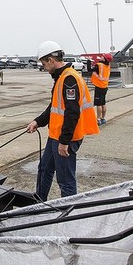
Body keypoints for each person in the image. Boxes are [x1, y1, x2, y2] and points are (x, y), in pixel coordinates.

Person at [25, 40, 99, 200]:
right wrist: (38, 121)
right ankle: (39, 201)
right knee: (44, 169)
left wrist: (64, 142)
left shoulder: (69, 79)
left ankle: (69, 211)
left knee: (65, 180)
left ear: (51, 60)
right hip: (56, 135)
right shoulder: (61, 78)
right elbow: (54, 107)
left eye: (44, 64)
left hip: (66, 138)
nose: (44, 68)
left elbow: (72, 113)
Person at [91, 53, 111, 125]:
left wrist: (89, 62)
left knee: (98, 104)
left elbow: (90, 69)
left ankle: (98, 119)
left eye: (103, 56)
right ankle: (103, 118)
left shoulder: (99, 65)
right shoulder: (108, 65)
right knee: (103, 103)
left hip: (99, 87)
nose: (101, 57)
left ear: (104, 58)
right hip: (105, 86)